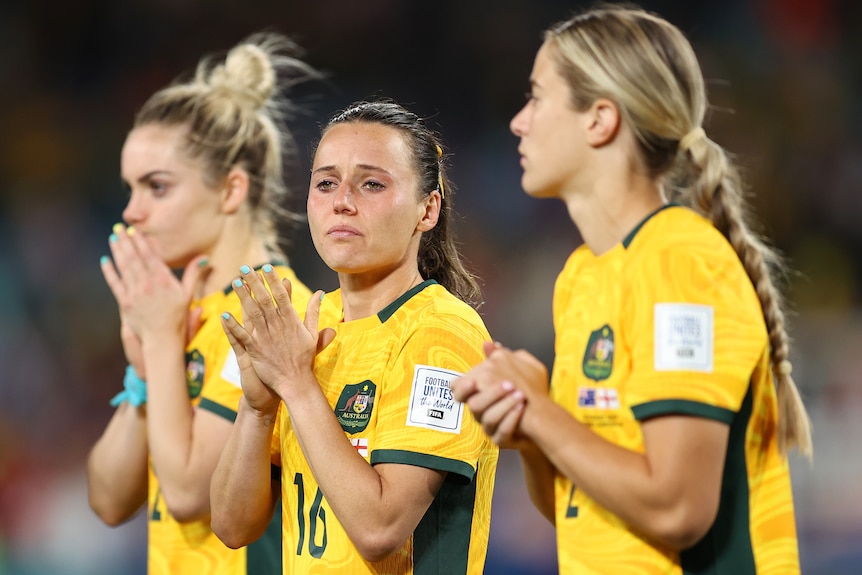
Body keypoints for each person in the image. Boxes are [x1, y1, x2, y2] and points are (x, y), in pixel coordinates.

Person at [451, 5, 813, 575]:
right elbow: (578, 511)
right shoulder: (582, 275)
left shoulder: (683, 264)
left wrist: (544, 414)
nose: (519, 122)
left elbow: (677, 508)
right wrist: (531, 434)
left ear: (600, 119)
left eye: (537, 98)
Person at [210, 100, 499, 574]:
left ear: (428, 210)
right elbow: (231, 525)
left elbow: (379, 530)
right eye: (325, 183)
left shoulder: (443, 334)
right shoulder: (310, 323)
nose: (342, 200)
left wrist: (297, 385)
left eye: (371, 184)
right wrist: (258, 407)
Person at [86, 32, 318, 575]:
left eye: (156, 187)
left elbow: (191, 492)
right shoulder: (181, 312)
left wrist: (165, 343)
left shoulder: (272, 314)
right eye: (130, 188)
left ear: (231, 190)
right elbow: (108, 500)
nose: (132, 212)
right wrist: (146, 377)